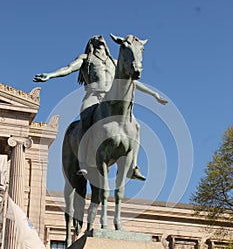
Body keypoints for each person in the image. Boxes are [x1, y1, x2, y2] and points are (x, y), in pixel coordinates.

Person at [34, 35, 168, 180]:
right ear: (91, 43)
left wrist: (153, 94)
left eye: (101, 36)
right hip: (93, 96)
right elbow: (68, 68)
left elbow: (132, 81)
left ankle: (133, 166)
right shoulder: (86, 58)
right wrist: (50, 75)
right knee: (86, 120)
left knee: (135, 125)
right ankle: (83, 161)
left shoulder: (114, 62)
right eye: (95, 37)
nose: (100, 36)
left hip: (112, 97)